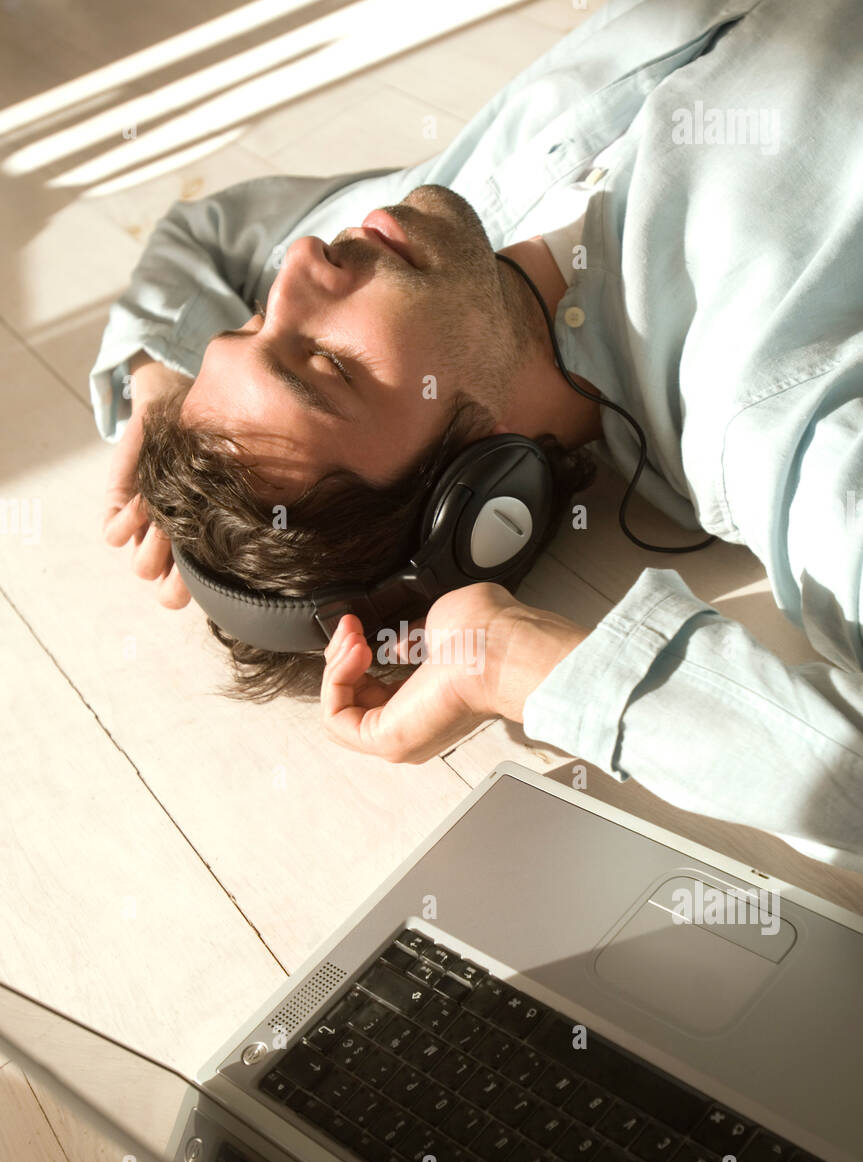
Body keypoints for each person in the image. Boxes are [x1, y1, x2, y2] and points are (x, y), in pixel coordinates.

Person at [92, 0, 863, 869]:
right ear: (480, 495)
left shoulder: (415, 240)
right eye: (322, 364)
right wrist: (521, 662)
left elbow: (204, 232)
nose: (305, 259)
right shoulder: (768, 408)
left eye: (249, 326)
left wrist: (158, 379)